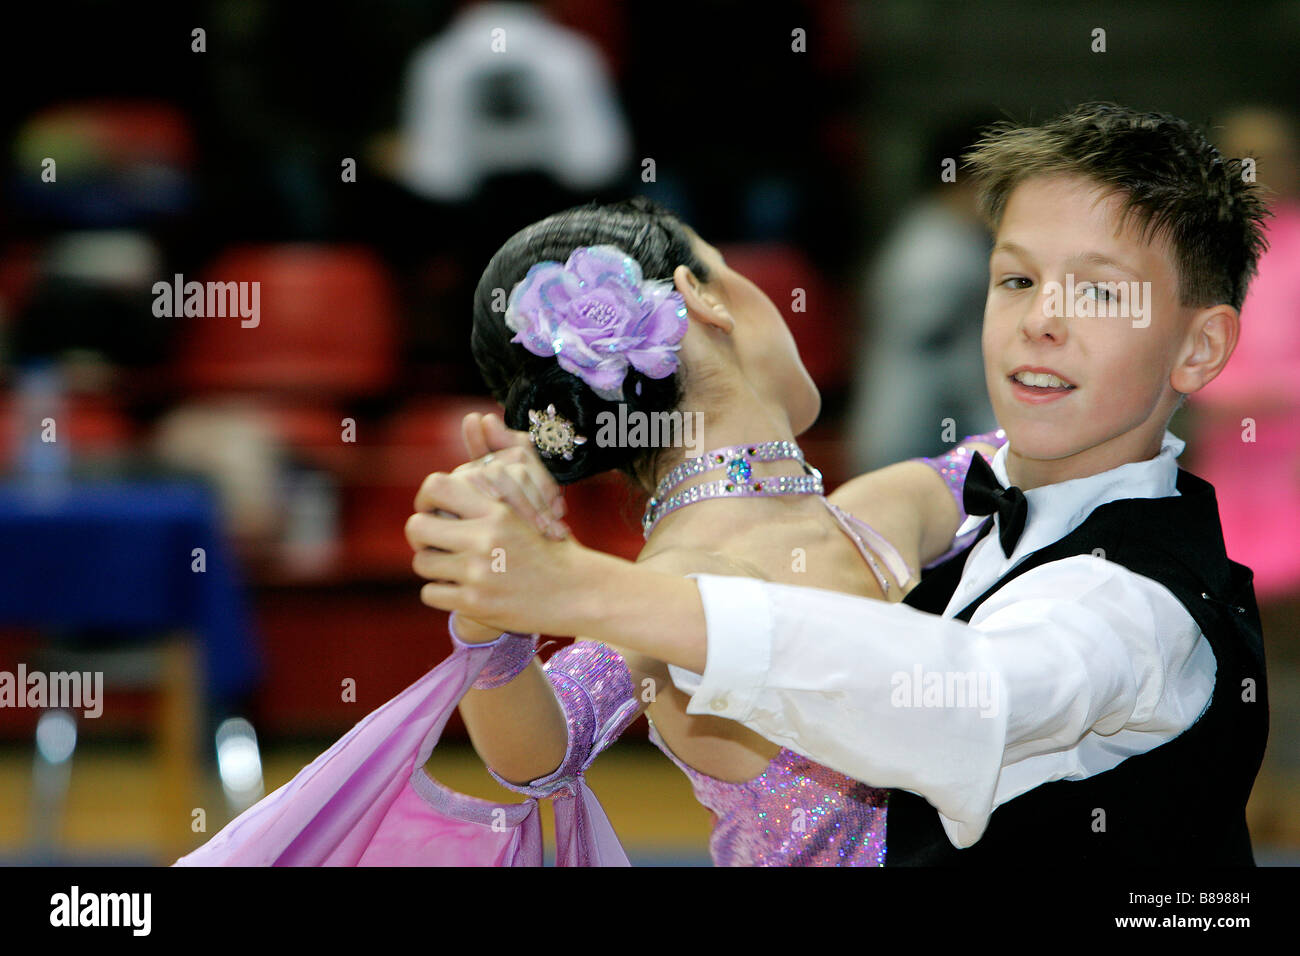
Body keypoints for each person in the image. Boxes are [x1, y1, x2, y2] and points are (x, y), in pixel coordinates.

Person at [412, 105, 1272, 865]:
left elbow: (970, 688)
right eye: (1015, 279)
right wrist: (512, 611)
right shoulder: (729, 569)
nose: (1040, 318)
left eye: (1094, 292)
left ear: (1200, 346)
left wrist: (527, 614)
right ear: (705, 300)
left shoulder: (921, 514)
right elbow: (544, 754)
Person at [173, 196, 1001, 866]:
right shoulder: (683, 591)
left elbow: (1047, 461)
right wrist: (494, 613)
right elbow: (541, 753)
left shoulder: (880, 510)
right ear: (705, 296)